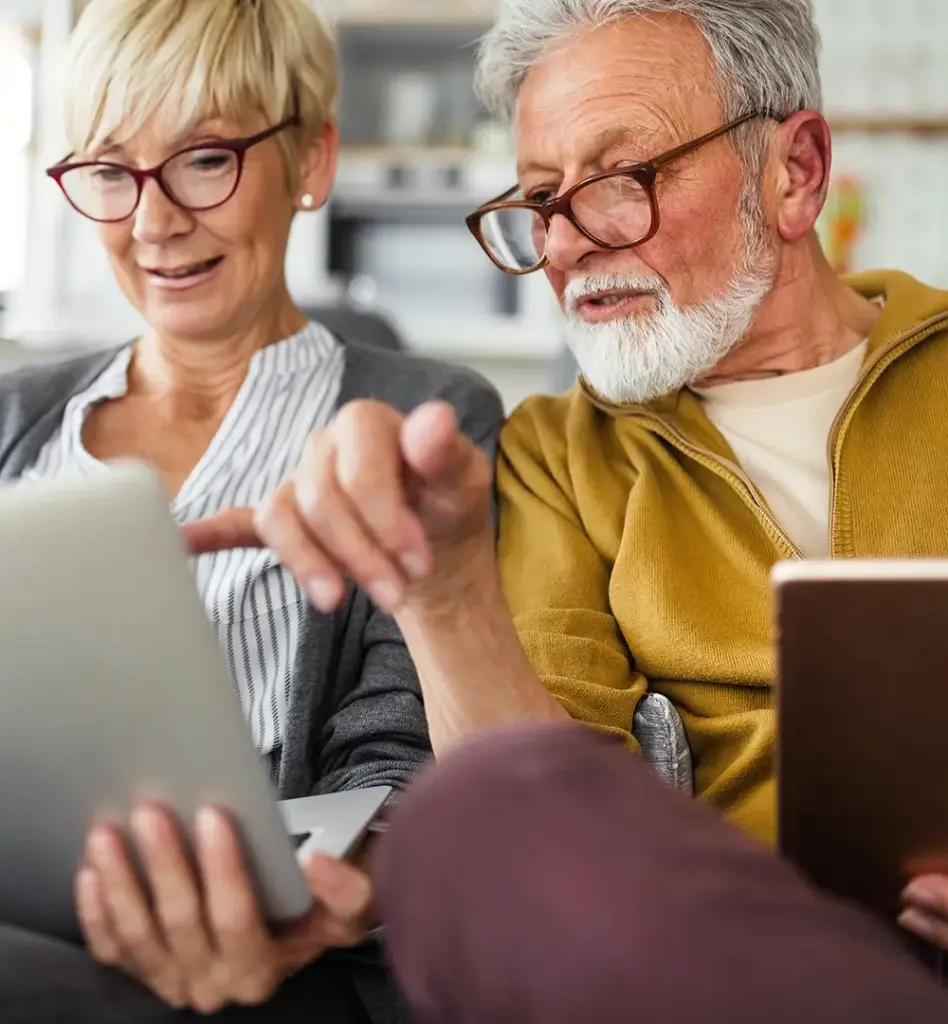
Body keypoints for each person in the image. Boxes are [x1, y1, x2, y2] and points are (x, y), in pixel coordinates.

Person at [187, 0, 948, 1002]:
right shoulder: (554, 455)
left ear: (794, 172)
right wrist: (444, 590)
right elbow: (539, 826)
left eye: (622, 180)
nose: (562, 247)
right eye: (542, 198)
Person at [0, 0, 502, 1021]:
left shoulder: (422, 420)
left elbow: (399, 768)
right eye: (108, 171)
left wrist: (313, 898)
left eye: (203, 159)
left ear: (311, 159)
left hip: (275, 960)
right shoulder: (15, 413)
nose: (152, 222)